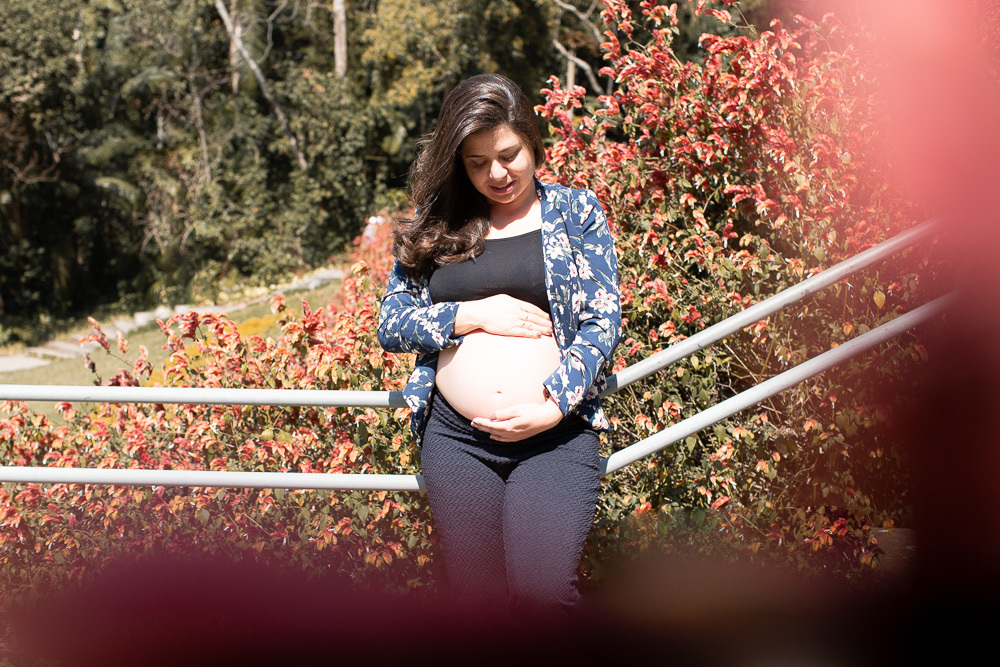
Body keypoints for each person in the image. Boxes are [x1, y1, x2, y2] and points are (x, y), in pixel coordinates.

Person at [377, 73, 621, 621]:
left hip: (554, 433)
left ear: (533, 144)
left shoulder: (576, 213)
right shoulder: (438, 225)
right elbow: (391, 321)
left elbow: (602, 319)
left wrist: (553, 405)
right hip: (457, 439)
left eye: (509, 155)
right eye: (477, 162)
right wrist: (470, 315)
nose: (497, 174)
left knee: (542, 597)